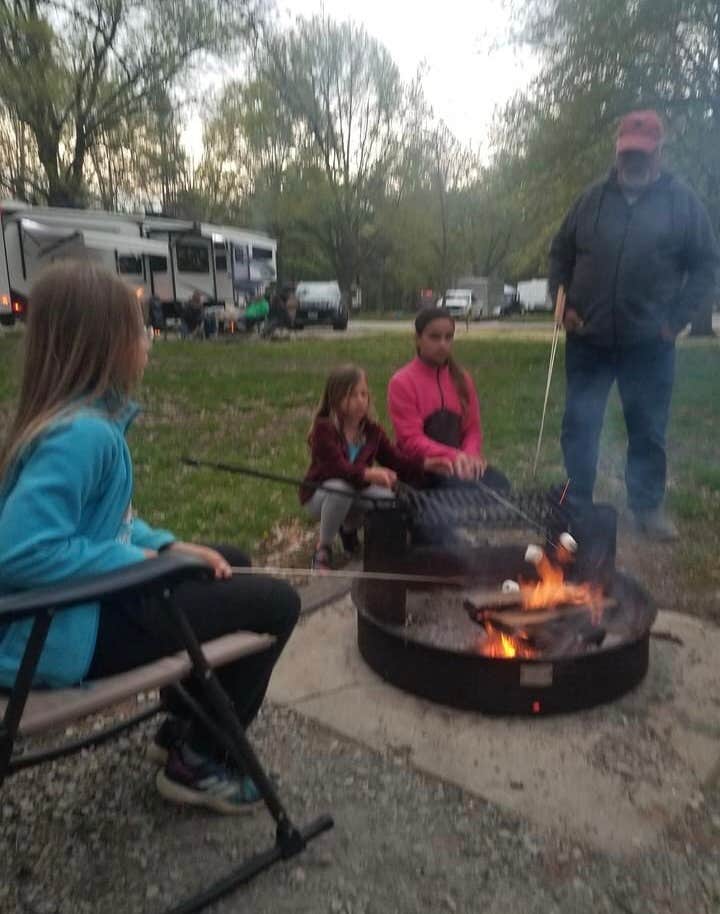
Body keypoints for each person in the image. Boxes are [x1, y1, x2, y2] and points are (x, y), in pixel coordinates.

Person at [0, 260, 300, 814]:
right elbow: (19, 551)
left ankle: (182, 725)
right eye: (140, 331)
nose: (149, 342)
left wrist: (164, 547)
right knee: (278, 603)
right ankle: (203, 760)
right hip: (60, 636)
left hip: (79, 610)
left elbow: (100, 521)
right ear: (106, 346)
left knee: (227, 560)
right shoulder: (83, 435)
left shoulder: (77, 421)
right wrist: (137, 561)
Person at [549, 109, 719, 540]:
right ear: (617, 150)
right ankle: (579, 501)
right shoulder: (591, 199)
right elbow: (560, 253)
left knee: (647, 426)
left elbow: (705, 265)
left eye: (642, 154)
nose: (634, 161)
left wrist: (677, 319)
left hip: (650, 342)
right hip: (588, 336)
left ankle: (646, 507)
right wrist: (560, 299)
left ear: (659, 152)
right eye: (628, 153)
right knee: (580, 423)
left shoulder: (682, 202)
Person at [300, 363, 452, 571]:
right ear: (335, 398)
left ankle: (352, 530)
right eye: (352, 395)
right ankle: (323, 548)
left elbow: (396, 460)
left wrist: (425, 464)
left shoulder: (372, 432)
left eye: (363, 394)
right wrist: (369, 474)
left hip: (356, 490)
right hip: (323, 495)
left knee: (388, 500)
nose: (360, 401)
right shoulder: (324, 429)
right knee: (341, 488)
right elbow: (336, 469)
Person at [387, 307, 509, 491]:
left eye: (448, 337)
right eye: (434, 337)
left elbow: (472, 429)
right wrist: (454, 456)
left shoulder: (462, 379)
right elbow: (411, 440)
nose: (443, 344)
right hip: (422, 467)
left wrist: (470, 457)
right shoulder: (402, 382)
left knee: (500, 485)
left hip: (459, 464)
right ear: (418, 339)